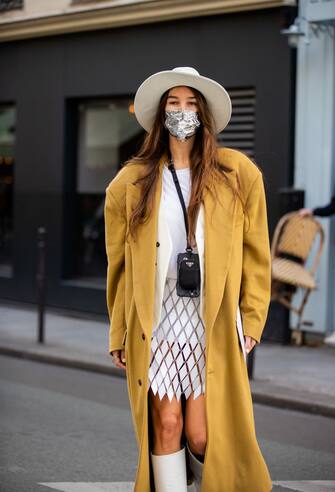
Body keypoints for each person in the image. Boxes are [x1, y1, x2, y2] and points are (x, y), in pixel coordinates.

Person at [104, 66, 272, 492]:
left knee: (201, 433)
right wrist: (119, 330)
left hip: (209, 317)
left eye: (191, 103)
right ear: (161, 114)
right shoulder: (131, 182)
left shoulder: (237, 174)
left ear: (205, 114)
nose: (182, 111)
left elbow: (257, 253)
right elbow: (119, 266)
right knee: (167, 423)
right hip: (156, 320)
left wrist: (251, 320)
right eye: (174, 103)